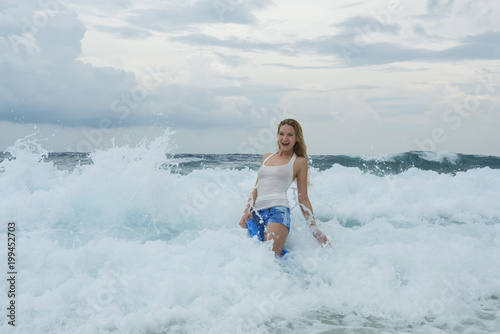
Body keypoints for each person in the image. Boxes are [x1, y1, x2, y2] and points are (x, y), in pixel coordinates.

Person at [239, 118, 331, 256]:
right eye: (282, 134)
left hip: (278, 212)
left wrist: (314, 228)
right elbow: (256, 188)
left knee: (270, 258)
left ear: (297, 138)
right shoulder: (266, 157)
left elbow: (303, 198)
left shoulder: (299, 162)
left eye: (290, 135)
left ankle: (297, 276)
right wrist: (247, 210)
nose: (285, 138)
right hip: (256, 213)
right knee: (254, 257)